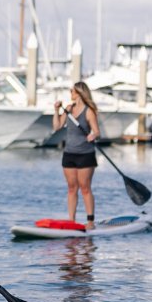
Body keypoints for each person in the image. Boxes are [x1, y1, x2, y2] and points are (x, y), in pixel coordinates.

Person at [52, 81, 101, 228]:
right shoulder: (68, 108)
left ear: (79, 93)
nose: (70, 93)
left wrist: (94, 136)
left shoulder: (89, 111)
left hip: (85, 154)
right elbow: (57, 126)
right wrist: (56, 111)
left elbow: (97, 132)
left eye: (72, 91)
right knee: (72, 188)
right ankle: (71, 221)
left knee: (85, 188)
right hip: (69, 154)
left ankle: (90, 221)